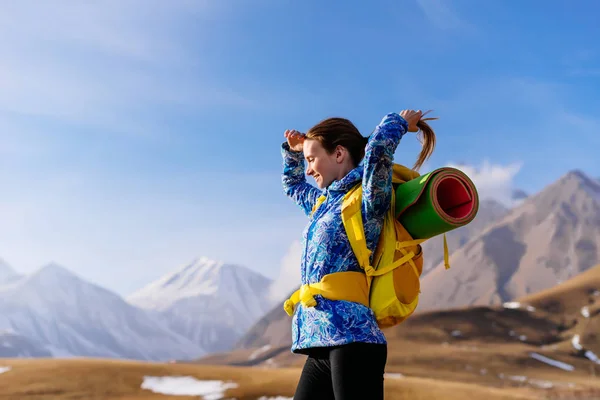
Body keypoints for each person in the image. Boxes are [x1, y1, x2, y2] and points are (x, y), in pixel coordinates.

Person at [280, 109, 429, 400]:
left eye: (313, 159)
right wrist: (295, 151)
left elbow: (377, 152)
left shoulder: (369, 198)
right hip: (322, 344)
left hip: (354, 340)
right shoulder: (323, 203)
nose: (309, 169)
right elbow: (294, 186)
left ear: (338, 154)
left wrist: (397, 123)